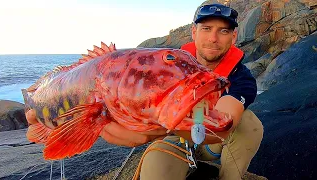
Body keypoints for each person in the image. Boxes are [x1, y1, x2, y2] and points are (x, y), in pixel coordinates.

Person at [25, 1, 263, 179]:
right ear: (194, 32)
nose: (213, 38)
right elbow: (56, 137)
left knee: (249, 124)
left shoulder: (240, 77)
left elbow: (214, 130)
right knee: (155, 173)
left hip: (210, 144)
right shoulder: (177, 63)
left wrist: (158, 127)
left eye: (223, 31)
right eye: (207, 28)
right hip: (175, 142)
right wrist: (91, 121)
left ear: (233, 36)